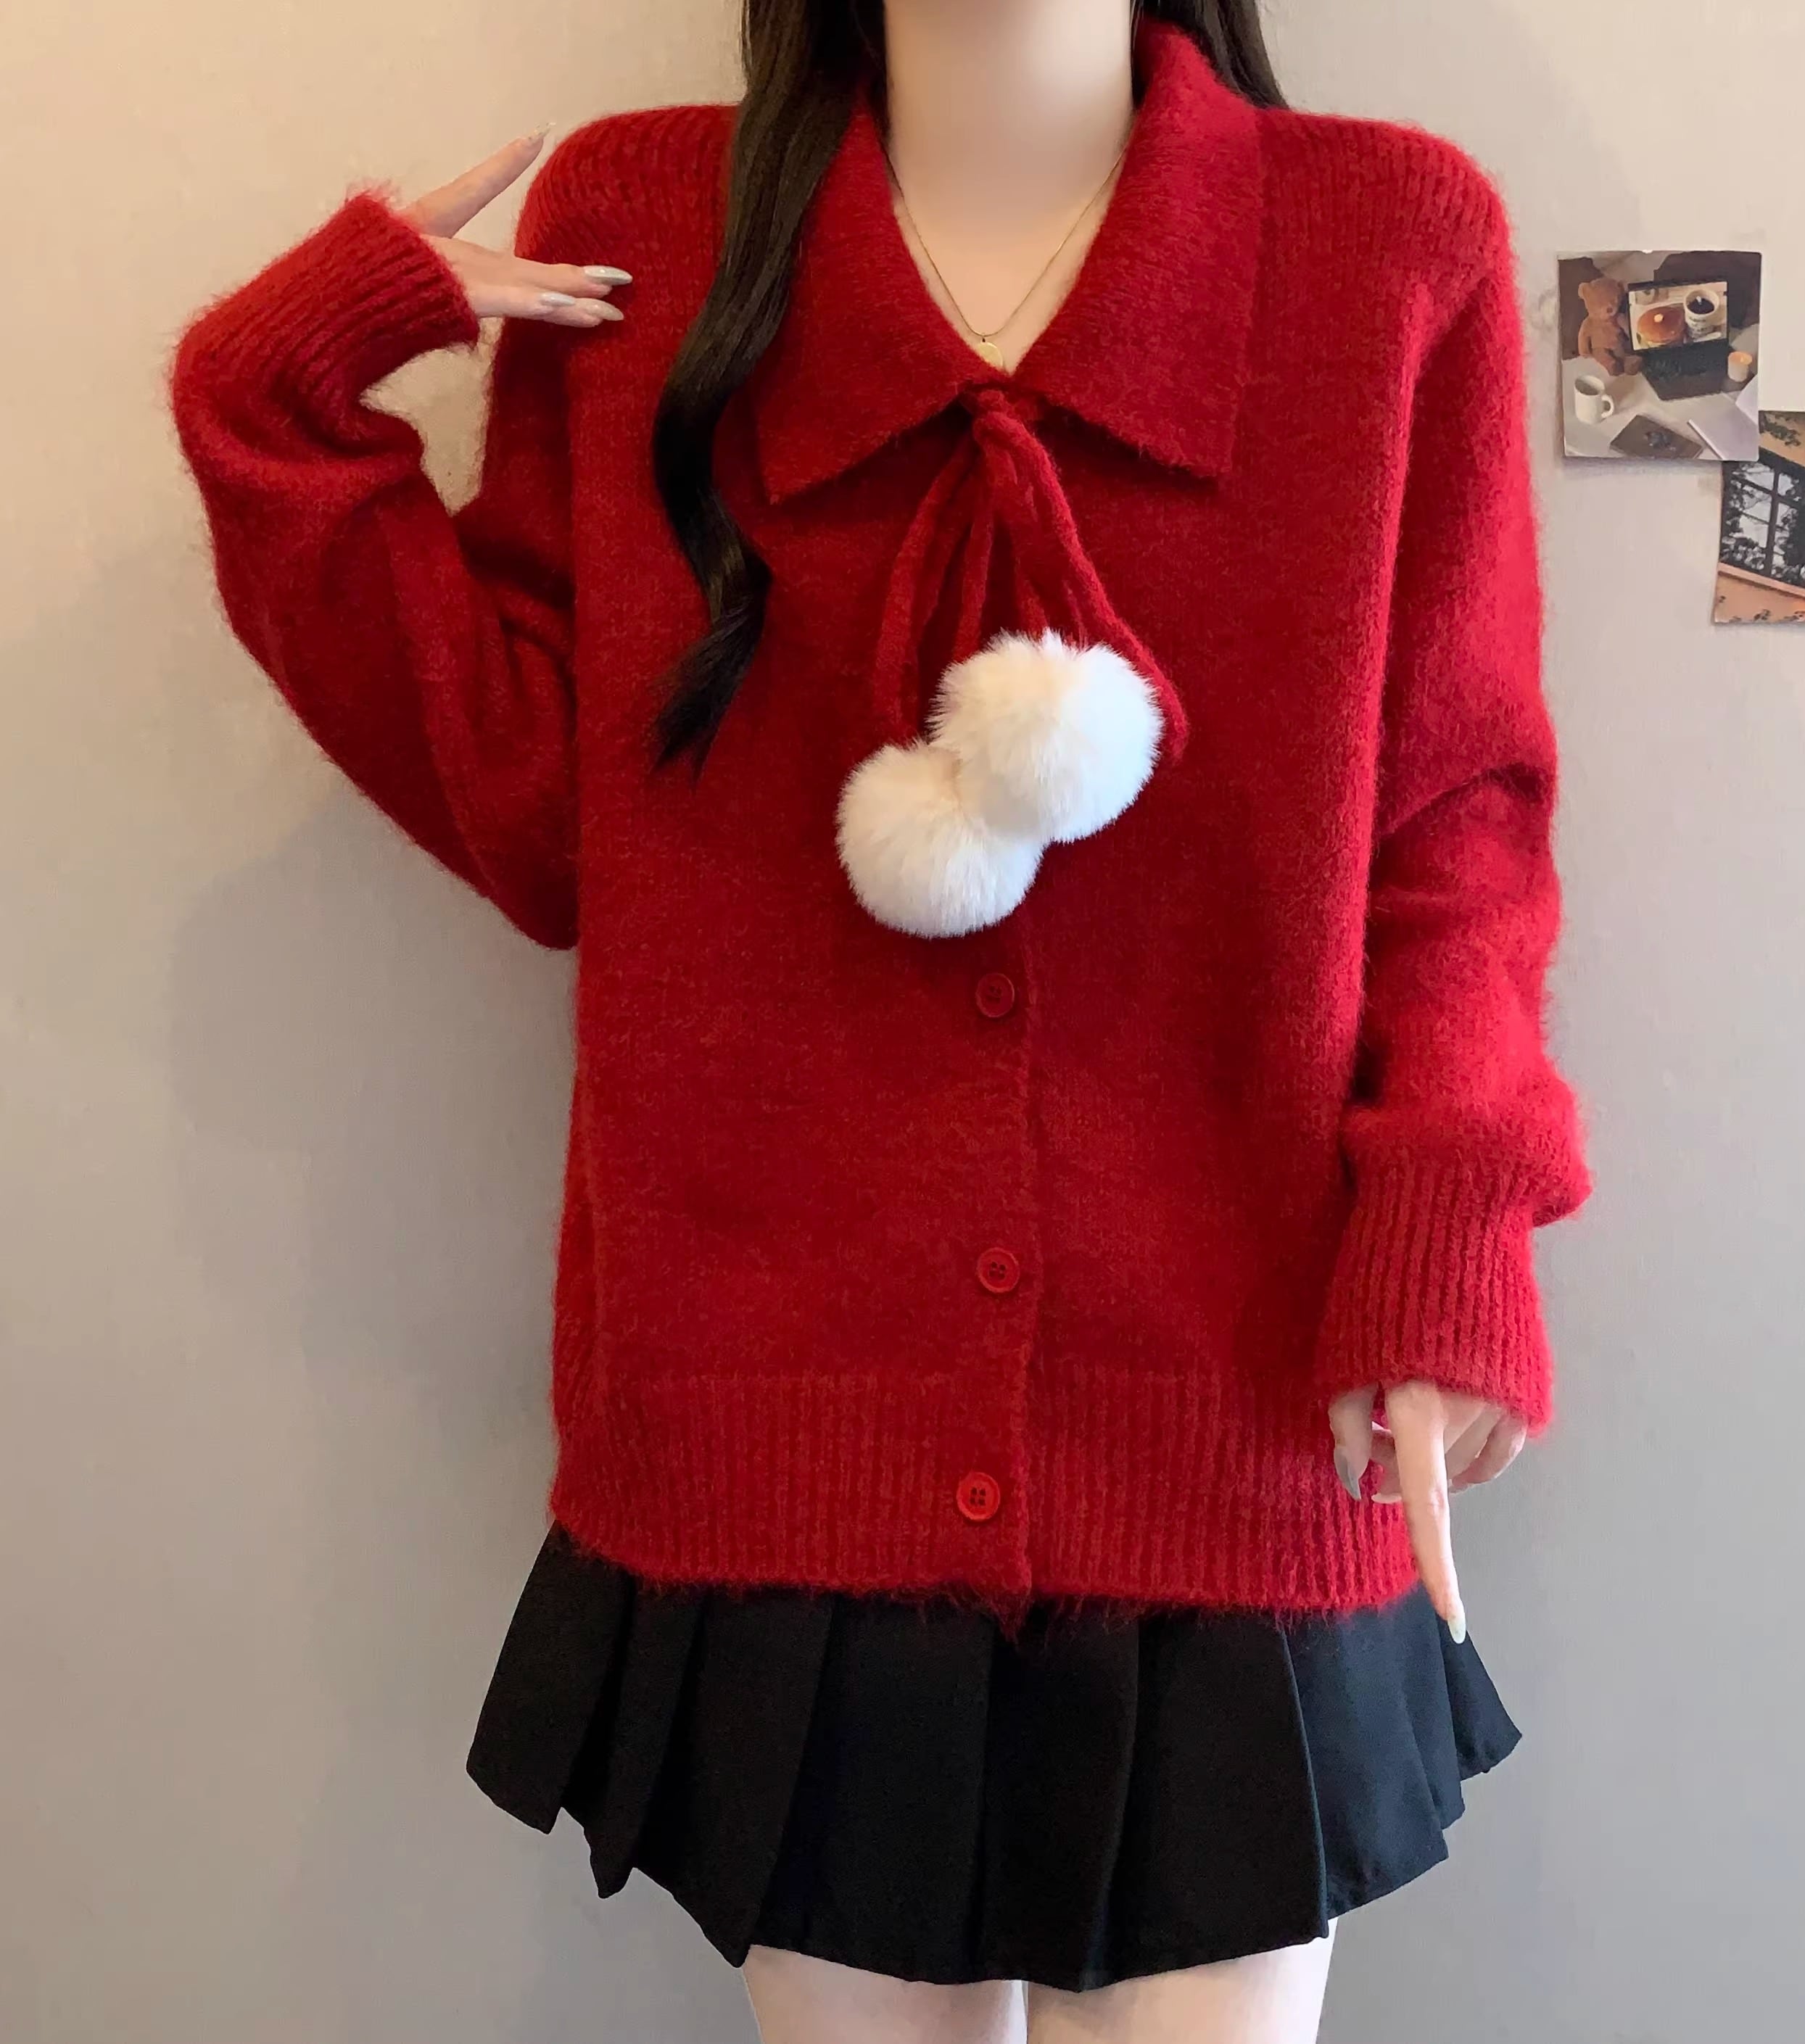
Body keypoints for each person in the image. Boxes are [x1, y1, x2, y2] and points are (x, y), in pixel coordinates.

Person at [165, 2, 1592, 2037]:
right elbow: (539, 811)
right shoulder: (652, 232)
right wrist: (275, 395)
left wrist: (1447, 1226)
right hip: (782, 1423)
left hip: (1244, 1403)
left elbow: (1455, 820)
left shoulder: (1386, 245)